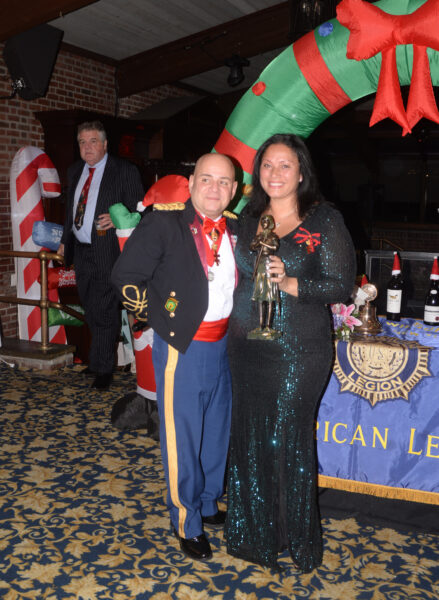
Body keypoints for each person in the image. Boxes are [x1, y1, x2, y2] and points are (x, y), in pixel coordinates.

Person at [225, 133, 356, 572]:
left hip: (299, 348)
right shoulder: (246, 218)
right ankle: (254, 536)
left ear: (301, 172)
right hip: (245, 346)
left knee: (285, 437)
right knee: (250, 437)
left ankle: (293, 538)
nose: (274, 174)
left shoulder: (323, 220)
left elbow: (341, 286)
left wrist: (291, 283)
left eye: (285, 165)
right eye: (267, 165)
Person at [111, 153, 238, 561]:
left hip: (225, 345)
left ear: (234, 190)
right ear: (192, 181)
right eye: (206, 179)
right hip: (183, 347)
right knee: (181, 436)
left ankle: (205, 500)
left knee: (216, 430)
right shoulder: (165, 221)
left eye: (223, 181)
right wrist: (164, 320)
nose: (214, 188)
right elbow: (126, 276)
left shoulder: (239, 228)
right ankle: (186, 520)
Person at [57, 121, 144, 390]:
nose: (87, 147)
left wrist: (119, 220)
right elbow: (70, 211)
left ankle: (104, 370)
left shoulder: (124, 171)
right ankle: (97, 362)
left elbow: (141, 208)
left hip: (109, 251)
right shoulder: (74, 171)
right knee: (90, 307)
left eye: (93, 141)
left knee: (105, 309)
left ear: (105, 144)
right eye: (82, 142)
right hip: (81, 251)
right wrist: (64, 242)